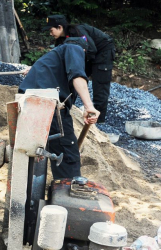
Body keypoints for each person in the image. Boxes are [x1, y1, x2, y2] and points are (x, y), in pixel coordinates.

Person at [19, 38, 100, 180]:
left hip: (26, 104)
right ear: (84, 51)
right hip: (49, 105)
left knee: (30, 154)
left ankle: (30, 199)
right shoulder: (74, 49)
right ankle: (67, 200)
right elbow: (77, 74)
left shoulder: (51, 58)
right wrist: (89, 106)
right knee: (68, 156)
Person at [46, 14, 116, 124]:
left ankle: (98, 121)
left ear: (60, 27)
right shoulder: (61, 40)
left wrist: (77, 63)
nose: (50, 34)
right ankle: (67, 107)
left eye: (51, 30)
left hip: (102, 53)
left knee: (100, 85)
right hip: (88, 56)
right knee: (70, 77)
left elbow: (91, 49)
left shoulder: (78, 31)